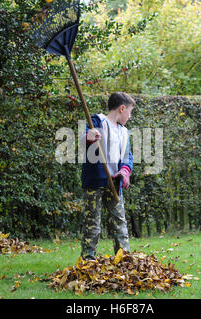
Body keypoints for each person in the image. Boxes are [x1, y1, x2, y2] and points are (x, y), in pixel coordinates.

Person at [79, 92, 135, 260]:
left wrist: (125, 170)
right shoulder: (97, 121)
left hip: (114, 183)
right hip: (94, 182)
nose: (130, 116)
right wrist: (89, 136)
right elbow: (84, 140)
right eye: (130, 112)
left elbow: (128, 157)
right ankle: (88, 261)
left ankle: (123, 259)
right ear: (122, 108)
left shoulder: (124, 132)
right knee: (92, 225)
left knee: (120, 224)